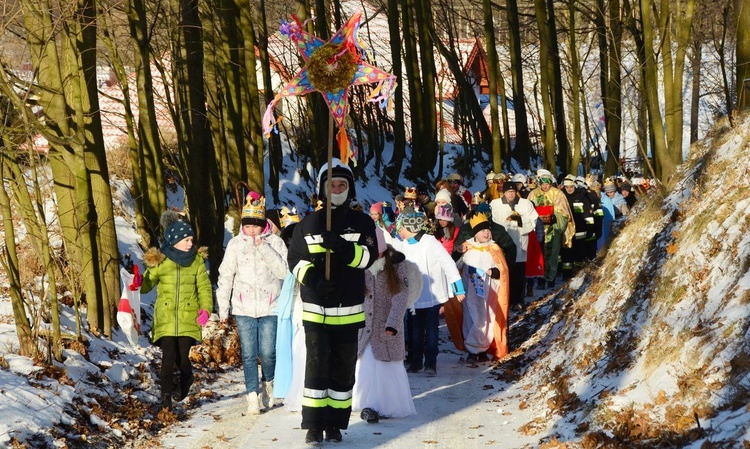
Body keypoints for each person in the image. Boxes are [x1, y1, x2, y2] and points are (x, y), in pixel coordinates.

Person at [287, 158, 378, 444]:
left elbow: (368, 258)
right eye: (332, 184)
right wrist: (314, 279)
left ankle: (336, 424)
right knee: (316, 367)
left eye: (342, 184)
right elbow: (295, 260)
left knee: (342, 370)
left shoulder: (362, 222)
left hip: (349, 311)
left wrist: (341, 247)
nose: (337, 188)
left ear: (350, 189)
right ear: (323, 189)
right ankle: (314, 425)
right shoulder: (308, 223)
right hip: (316, 310)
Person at [216, 192, 289, 415]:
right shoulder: (235, 245)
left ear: (263, 224)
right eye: (248, 226)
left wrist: (264, 249)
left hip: (270, 306)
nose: (252, 230)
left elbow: (284, 272)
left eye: (256, 225)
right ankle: (252, 396)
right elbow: (225, 275)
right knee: (248, 354)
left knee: (267, 352)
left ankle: (269, 383)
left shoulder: (275, 242)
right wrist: (223, 308)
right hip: (244, 307)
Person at [141, 210, 213, 410]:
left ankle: (187, 378)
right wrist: (139, 281)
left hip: (188, 317)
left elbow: (205, 288)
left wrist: (206, 309)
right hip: (165, 318)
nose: (191, 243)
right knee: (168, 357)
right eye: (187, 240)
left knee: (182, 358)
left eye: (191, 239)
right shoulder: (161, 261)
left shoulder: (196, 262)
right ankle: (165, 399)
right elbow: (147, 284)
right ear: (174, 241)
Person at [352, 227, 420, 420]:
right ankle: (367, 405)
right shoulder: (361, 265)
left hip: (386, 327)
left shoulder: (396, 265)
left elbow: (401, 296)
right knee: (365, 366)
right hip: (364, 328)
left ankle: (386, 405)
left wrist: (393, 323)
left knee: (387, 367)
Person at [390, 208, 465, 377]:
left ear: (410, 228)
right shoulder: (401, 244)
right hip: (414, 296)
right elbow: (389, 250)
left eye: (401, 229)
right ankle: (416, 361)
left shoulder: (430, 242)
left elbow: (447, 263)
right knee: (415, 330)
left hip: (432, 296)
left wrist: (457, 287)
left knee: (431, 330)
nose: (399, 233)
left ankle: (431, 362)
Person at [451, 212, 510, 361]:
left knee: (486, 319)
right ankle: (473, 349)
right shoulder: (467, 247)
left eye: (488, 230)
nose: (486, 233)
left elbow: (502, 269)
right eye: (482, 230)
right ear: (475, 233)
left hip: (488, 293)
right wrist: (457, 253)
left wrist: (495, 272)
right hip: (470, 291)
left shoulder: (494, 248)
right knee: (471, 318)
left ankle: (480, 348)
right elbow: (454, 266)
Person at [489, 182, 538, 310]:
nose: (511, 194)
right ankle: (505, 299)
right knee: (504, 270)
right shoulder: (495, 204)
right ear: (503, 192)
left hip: (519, 239)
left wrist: (520, 219)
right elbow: (491, 221)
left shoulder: (525, 204)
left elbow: (534, 219)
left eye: (513, 192)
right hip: (503, 242)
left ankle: (518, 299)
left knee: (518, 271)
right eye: (508, 192)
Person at [527, 169, 575, 289]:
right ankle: (540, 278)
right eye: (543, 184)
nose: (545, 186)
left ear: (550, 183)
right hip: (537, 229)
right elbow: (527, 210)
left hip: (553, 229)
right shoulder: (533, 194)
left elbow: (564, 213)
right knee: (539, 254)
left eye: (547, 184)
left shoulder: (558, 194)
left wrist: (554, 218)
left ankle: (551, 277)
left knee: (552, 254)